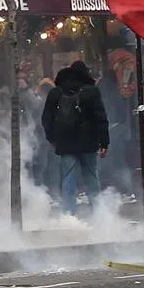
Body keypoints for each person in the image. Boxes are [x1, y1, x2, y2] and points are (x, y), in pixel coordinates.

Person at [41, 61, 110, 216]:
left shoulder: (56, 93)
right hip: (89, 143)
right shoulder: (92, 91)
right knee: (91, 177)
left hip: (65, 143)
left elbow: (46, 119)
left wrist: (52, 139)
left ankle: (68, 216)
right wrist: (104, 142)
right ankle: (98, 214)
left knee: (68, 178)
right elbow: (101, 118)